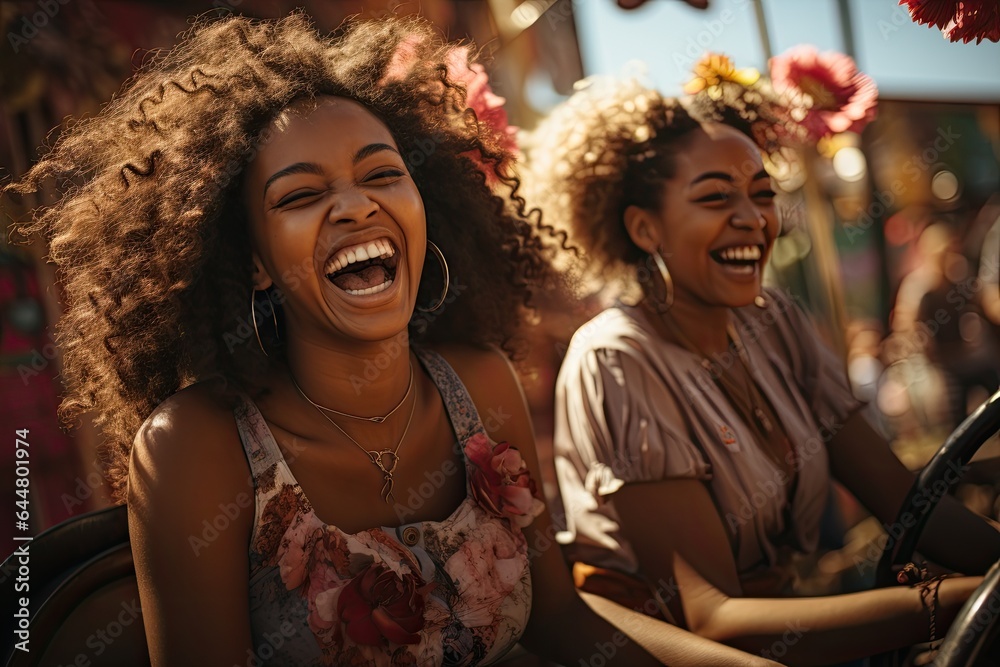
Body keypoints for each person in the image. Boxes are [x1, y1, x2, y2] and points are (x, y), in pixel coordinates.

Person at [5, 14, 783, 667]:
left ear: (426, 206)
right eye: (304, 194)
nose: (355, 206)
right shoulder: (193, 448)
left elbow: (562, 621)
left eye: (383, 175)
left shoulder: (482, 385)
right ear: (251, 260)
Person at [525, 73, 1000, 663]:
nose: (753, 218)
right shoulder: (616, 360)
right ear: (645, 228)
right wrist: (961, 604)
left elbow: (906, 501)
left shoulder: (773, 320)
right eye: (716, 197)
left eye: (762, 193)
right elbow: (714, 619)